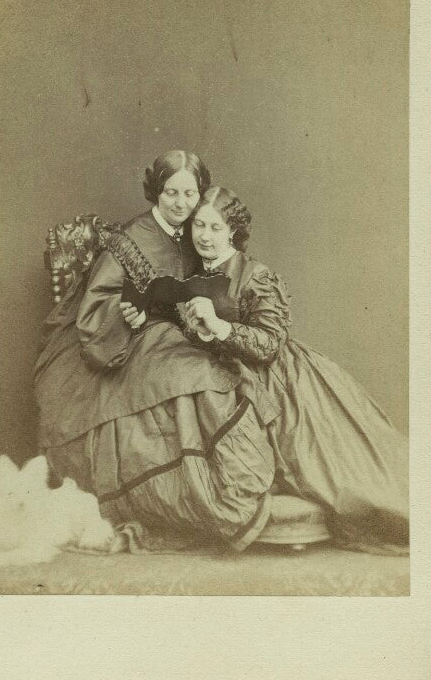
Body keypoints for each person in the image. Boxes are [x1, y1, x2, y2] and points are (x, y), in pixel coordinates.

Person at [35, 151, 281, 552]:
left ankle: (233, 475)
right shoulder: (131, 239)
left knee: (218, 366)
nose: (181, 204)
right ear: (156, 191)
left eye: (189, 194)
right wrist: (129, 314)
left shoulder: (196, 232)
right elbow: (94, 312)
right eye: (171, 193)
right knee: (193, 373)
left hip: (184, 331)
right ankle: (201, 490)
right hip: (122, 338)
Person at [183, 187, 409, 554]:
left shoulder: (256, 275)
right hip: (226, 374)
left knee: (328, 468)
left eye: (214, 227)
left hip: (279, 379)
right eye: (198, 225)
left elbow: (270, 343)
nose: (204, 236)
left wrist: (220, 327)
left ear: (233, 232)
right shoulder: (195, 274)